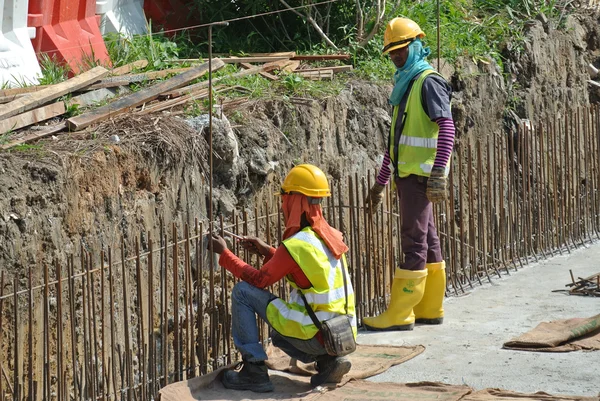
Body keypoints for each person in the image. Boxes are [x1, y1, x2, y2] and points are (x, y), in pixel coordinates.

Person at [207, 164, 357, 393]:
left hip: (315, 334)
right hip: (341, 334)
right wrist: (267, 250)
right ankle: (329, 362)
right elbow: (304, 269)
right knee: (287, 325)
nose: (282, 205)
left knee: (242, 292)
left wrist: (225, 254)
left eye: (285, 197)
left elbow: (259, 280)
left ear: (296, 201)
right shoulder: (330, 237)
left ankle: (254, 372)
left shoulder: (297, 244)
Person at [363, 17, 455, 332]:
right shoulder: (408, 83)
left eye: (400, 50)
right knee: (428, 240)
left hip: (420, 177)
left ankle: (400, 312)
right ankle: (430, 307)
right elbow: (398, 142)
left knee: (413, 241)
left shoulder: (427, 81)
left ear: (415, 45)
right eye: (391, 52)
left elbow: (448, 126)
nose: (395, 56)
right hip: (409, 174)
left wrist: (439, 171)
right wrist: (379, 184)